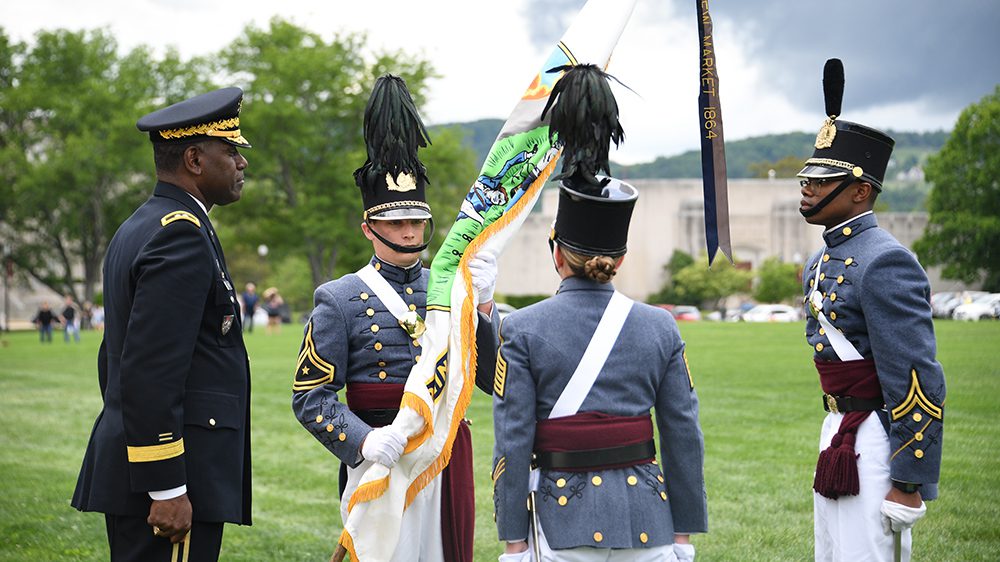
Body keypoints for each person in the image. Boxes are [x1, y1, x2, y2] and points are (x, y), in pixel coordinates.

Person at [492, 64, 707, 562]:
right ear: (621, 259)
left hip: (560, 521)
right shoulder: (661, 326)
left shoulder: (520, 328)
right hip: (650, 523)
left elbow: (513, 441)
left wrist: (514, 541)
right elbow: (682, 433)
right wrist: (683, 535)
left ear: (557, 253)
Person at [291, 74, 500, 562]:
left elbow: (492, 379)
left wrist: (485, 306)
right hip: (381, 452)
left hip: (446, 453)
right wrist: (362, 441)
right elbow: (310, 398)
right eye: (395, 223)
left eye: (416, 222)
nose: (409, 233)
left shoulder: (452, 290)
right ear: (369, 227)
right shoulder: (338, 298)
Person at [72, 87, 253, 562]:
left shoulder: (145, 224)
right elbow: (149, 370)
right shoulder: (179, 236)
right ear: (194, 158)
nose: (241, 163)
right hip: (172, 482)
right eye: (230, 150)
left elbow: (116, 359)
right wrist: (166, 485)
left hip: (151, 470)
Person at [797, 59, 945, 562]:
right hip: (837, 430)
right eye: (807, 178)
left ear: (861, 191)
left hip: (880, 436)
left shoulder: (886, 260)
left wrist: (908, 477)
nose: (807, 188)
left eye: (822, 181)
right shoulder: (821, 258)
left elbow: (917, 375)